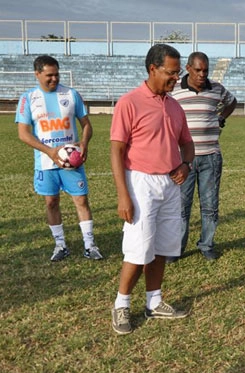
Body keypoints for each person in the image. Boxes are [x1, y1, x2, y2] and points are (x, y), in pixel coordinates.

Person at [110, 44, 195, 335]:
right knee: (138, 248)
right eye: (171, 73)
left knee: (162, 246)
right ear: (152, 69)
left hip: (171, 183)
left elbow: (187, 142)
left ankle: (154, 301)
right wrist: (123, 194)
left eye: (177, 72)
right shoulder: (129, 103)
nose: (176, 78)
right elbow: (116, 151)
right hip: (140, 182)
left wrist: (186, 164)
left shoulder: (174, 105)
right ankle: (121, 304)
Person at [15, 55, 104, 262]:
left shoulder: (71, 94)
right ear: (37, 74)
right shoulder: (28, 98)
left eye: (57, 74)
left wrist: (84, 142)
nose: (54, 79)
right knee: (51, 202)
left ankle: (90, 245)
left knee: (81, 200)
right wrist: (50, 152)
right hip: (46, 162)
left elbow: (87, 124)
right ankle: (60, 245)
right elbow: (23, 134)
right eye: (49, 75)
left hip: (71, 161)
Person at [168, 52, 237, 263]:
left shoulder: (216, 89)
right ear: (188, 68)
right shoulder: (175, 90)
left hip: (211, 158)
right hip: (183, 160)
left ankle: (206, 245)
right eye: (198, 70)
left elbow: (232, 102)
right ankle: (176, 249)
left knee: (210, 206)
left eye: (205, 70)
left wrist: (221, 117)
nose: (202, 74)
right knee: (181, 207)